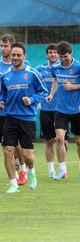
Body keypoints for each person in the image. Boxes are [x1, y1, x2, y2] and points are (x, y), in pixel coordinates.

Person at [0, 42, 48, 193]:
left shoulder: (32, 73)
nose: (16, 57)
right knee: (7, 151)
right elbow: (1, 93)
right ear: (10, 55)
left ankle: (31, 171)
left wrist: (31, 100)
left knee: (27, 155)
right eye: (13, 54)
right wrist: (1, 101)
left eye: (19, 55)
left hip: (27, 119)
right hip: (10, 118)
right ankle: (13, 184)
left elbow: (44, 92)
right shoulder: (5, 75)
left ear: (24, 56)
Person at [0, 34, 27, 184]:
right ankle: (16, 174)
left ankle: (22, 169)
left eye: (6, 46)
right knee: (6, 145)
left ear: (13, 47)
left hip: (18, 112)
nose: (2, 49)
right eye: (1, 45)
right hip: (1, 111)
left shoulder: (24, 64)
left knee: (16, 144)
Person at [48, 41, 80, 180]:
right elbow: (55, 81)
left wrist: (73, 87)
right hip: (60, 109)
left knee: (78, 141)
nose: (63, 59)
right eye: (61, 57)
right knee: (60, 138)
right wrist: (51, 94)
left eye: (65, 56)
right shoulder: (55, 67)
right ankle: (62, 170)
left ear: (71, 53)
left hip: (77, 109)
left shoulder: (78, 66)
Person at [36, 44, 68, 178]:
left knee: (63, 141)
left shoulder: (64, 68)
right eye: (50, 52)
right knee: (48, 141)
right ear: (47, 54)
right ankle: (51, 170)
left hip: (62, 109)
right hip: (45, 109)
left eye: (55, 52)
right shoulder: (39, 69)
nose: (53, 54)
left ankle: (62, 166)